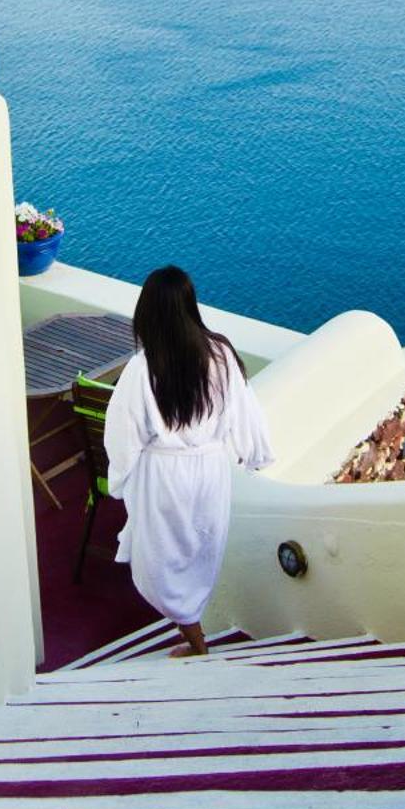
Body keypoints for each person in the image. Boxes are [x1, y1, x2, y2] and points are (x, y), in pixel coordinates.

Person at [104, 266, 275, 656]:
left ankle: (197, 641)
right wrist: (253, 454)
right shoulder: (221, 354)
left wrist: (121, 477)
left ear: (148, 313)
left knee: (162, 560)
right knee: (200, 549)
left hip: (163, 475)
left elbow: (123, 434)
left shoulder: (143, 367)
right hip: (210, 470)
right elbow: (243, 412)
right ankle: (196, 632)